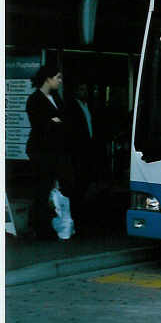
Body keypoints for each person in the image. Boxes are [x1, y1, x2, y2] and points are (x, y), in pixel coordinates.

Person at [25, 65, 74, 239]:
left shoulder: (56, 98)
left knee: (60, 187)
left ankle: (55, 224)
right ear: (48, 78)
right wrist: (53, 123)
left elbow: (64, 120)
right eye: (58, 78)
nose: (60, 82)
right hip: (41, 151)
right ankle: (40, 227)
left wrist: (55, 123)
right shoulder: (34, 99)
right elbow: (40, 125)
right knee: (42, 188)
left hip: (57, 151)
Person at [65, 83, 97, 222]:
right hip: (78, 149)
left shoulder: (88, 106)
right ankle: (76, 210)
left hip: (88, 147)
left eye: (85, 89)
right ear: (75, 91)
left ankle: (80, 209)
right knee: (78, 181)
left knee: (85, 179)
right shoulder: (72, 107)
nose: (84, 92)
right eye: (81, 89)